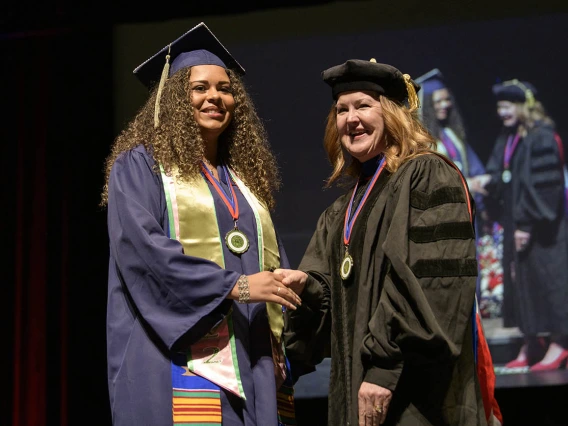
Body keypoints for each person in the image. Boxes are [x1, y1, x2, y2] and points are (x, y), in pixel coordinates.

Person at [279, 59, 501, 425]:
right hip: (359, 395)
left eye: (363, 105)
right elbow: (334, 297)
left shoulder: (426, 175)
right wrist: (308, 290)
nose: (350, 118)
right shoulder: (340, 211)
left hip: (416, 394)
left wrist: (385, 368)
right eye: (341, 110)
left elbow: (433, 285)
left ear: (394, 114)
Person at [100, 22, 301, 426]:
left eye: (225, 88)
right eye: (200, 88)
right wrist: (237, 286)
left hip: (251, 359)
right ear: (175, 99)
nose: (215, 96)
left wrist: (284, 283)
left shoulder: (242, 181)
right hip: (176, 362)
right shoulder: (140, 167)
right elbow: (145, 254)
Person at [482, 79, 568, 371]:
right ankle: (532, 342)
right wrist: (483, 183)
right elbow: (498, 172)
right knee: (522, 286)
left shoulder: (542, 136)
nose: (501, 112)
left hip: (544, 229)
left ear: (524, 106)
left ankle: (559, 343)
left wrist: (527, 225)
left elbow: (547, 186)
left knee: (549, 284)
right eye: (499, 107)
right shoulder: (510, 137)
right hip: (516, 224)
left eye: (507, 106)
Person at [415, 68, 489, 196]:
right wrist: (465, 184)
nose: (445, 105)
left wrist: (481, 179)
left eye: (447, 100)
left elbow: (474, 166)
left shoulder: (451, 133)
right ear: (427, 105)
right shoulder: (420, 140)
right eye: (438, 101)